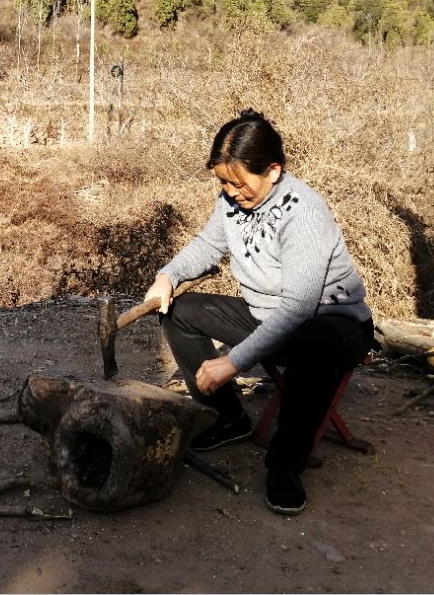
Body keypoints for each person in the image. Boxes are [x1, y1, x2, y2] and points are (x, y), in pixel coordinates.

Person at [143, 109, 375, 515]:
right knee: (179, 309)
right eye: (223, 182)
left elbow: (299, 308)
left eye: (238, 182)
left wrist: (232, 362)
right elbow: (207, 246)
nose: (232, 192)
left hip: (333, 326)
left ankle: (286, 466)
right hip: (267, 316)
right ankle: (228, 418)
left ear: (272, 170)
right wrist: (167, 276)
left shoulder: (303, 213)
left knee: (312, 342)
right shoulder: (231, 202)